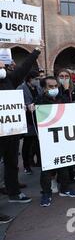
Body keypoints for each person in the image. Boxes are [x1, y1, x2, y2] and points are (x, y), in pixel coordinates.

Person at [0, 47, 41, 205]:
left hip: (11, 131)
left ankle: (13, 192)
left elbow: (24, 67)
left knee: (12, 163)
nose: (3, 67)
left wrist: (36, 51)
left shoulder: (9, 80)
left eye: (3, 65)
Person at [34, 76, 75, 207]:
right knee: (47, 168)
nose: (54, 89)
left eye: (56, 86)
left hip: (62, 138)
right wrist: (31, 109)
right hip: (47, 140)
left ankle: (65, 188)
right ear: (44, 88)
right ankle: (46, 193)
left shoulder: (62, 98)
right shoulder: (39, 101)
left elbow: (69, 109)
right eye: (51, 86)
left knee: (64, 165)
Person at [16, 70, 42, 174]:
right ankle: (26, 165)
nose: (37, 81)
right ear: (30, 79)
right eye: (36, 79)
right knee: (27, 144)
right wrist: (27, 106)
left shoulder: (38, 88)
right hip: (27, 120)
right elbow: (17, 103)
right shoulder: (21, 88)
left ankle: (39, 162)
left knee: (37, 142)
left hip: (37, 119)